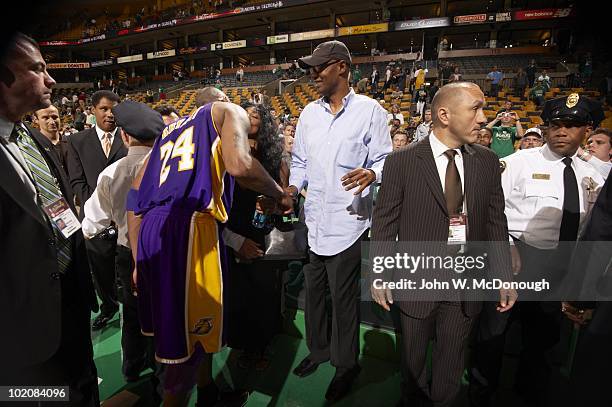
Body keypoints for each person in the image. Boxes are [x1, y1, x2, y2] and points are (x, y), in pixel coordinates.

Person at [132, 88, 292, 406]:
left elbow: (135, 195)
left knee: (194, 333)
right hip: (188, 229)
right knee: (184, 345)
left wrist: (138, 258)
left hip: (153, 228)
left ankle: (209, 393)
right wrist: (279, 193)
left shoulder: (169, 130)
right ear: (221, 102)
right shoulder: (225, 112)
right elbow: (241, 167)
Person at [371, 82, 515, 407]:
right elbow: (384, 223)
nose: (483, 118)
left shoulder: (488, 162)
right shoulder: (401, 162)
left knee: (452, 364)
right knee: (413, 364)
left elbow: (495, 222)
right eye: (475, 108)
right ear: (444, 114)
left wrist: (505, 274)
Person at [469, 93, 605, 407]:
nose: (562, 131)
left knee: (542, 340)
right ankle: (480, 393)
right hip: (514, 259)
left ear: (586, 129)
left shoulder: (593, 177)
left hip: (559, 267)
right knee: (493, 335)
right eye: (555, 124)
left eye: (571, 125)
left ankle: (528, 393)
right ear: (545, 128)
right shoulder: (517, 163)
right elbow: (487, 210)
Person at [0, 32, 99, 405]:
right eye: (38, 69)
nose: (51, 79)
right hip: (21, 322)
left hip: (70, 299)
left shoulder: (34, 138)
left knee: (82, 386)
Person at [291, 40, 391, 402]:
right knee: (314, 295)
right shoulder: (307, 114)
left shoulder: (370, 111)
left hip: (348, 224)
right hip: (314, 219)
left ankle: (346, 364)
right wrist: (291, 188)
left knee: (343, 300)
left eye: (320, 67)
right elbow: (300, 162)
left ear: (342, 68)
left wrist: (372, 173)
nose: (313, 74)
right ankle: (319, 351)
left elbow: (385, 159)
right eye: (311, 68)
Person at [82, 101, 164, 383]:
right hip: (164, 253)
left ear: (125, 136)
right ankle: (162, 371)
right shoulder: (171, 168)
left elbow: (92, 224)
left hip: (127, 253)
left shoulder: (111, 173)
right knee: (163, 314)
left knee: (131, 314)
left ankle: (131, 367)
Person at [223, 102, 288, 371]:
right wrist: (234, 240)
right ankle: (242, 345)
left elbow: (284, 197)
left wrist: (275, 204)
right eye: (246, 111)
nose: (251, 115)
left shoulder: (274, 157)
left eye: (257, 113)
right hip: (233, 230)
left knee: (263, 292)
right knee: (238, 293)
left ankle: (260, 346)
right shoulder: (225, 153)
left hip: (263, 231)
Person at [66, 89, 127, 331]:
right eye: (104, 109)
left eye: (114, 109)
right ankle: (109, 307)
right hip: (95, 220)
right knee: (101, 271)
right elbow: (77, 182)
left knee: (128, 266)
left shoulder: (129, 137)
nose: (110, 114)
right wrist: (101, 212)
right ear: (92, 110)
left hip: (126, 217)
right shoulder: (77, 140)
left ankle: (132, 307)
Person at [32, 104, 70, 171]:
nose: (52, 122)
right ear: (36, 120)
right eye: (46, 118)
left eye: (55, 117)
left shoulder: (71, 143)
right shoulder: (34, 146)